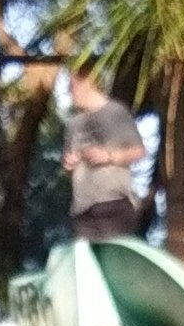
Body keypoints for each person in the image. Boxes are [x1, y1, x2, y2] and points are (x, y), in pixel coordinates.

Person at [62, 64, 148, 239]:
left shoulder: (116, 112)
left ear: (88, 82)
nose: (69, 92)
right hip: (82, 210)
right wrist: (69, 166)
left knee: (114, 256)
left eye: (72, 86)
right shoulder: (73, 124)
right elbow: (68, 169)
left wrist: (109, 156)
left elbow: (139, 151)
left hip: (114, 204)